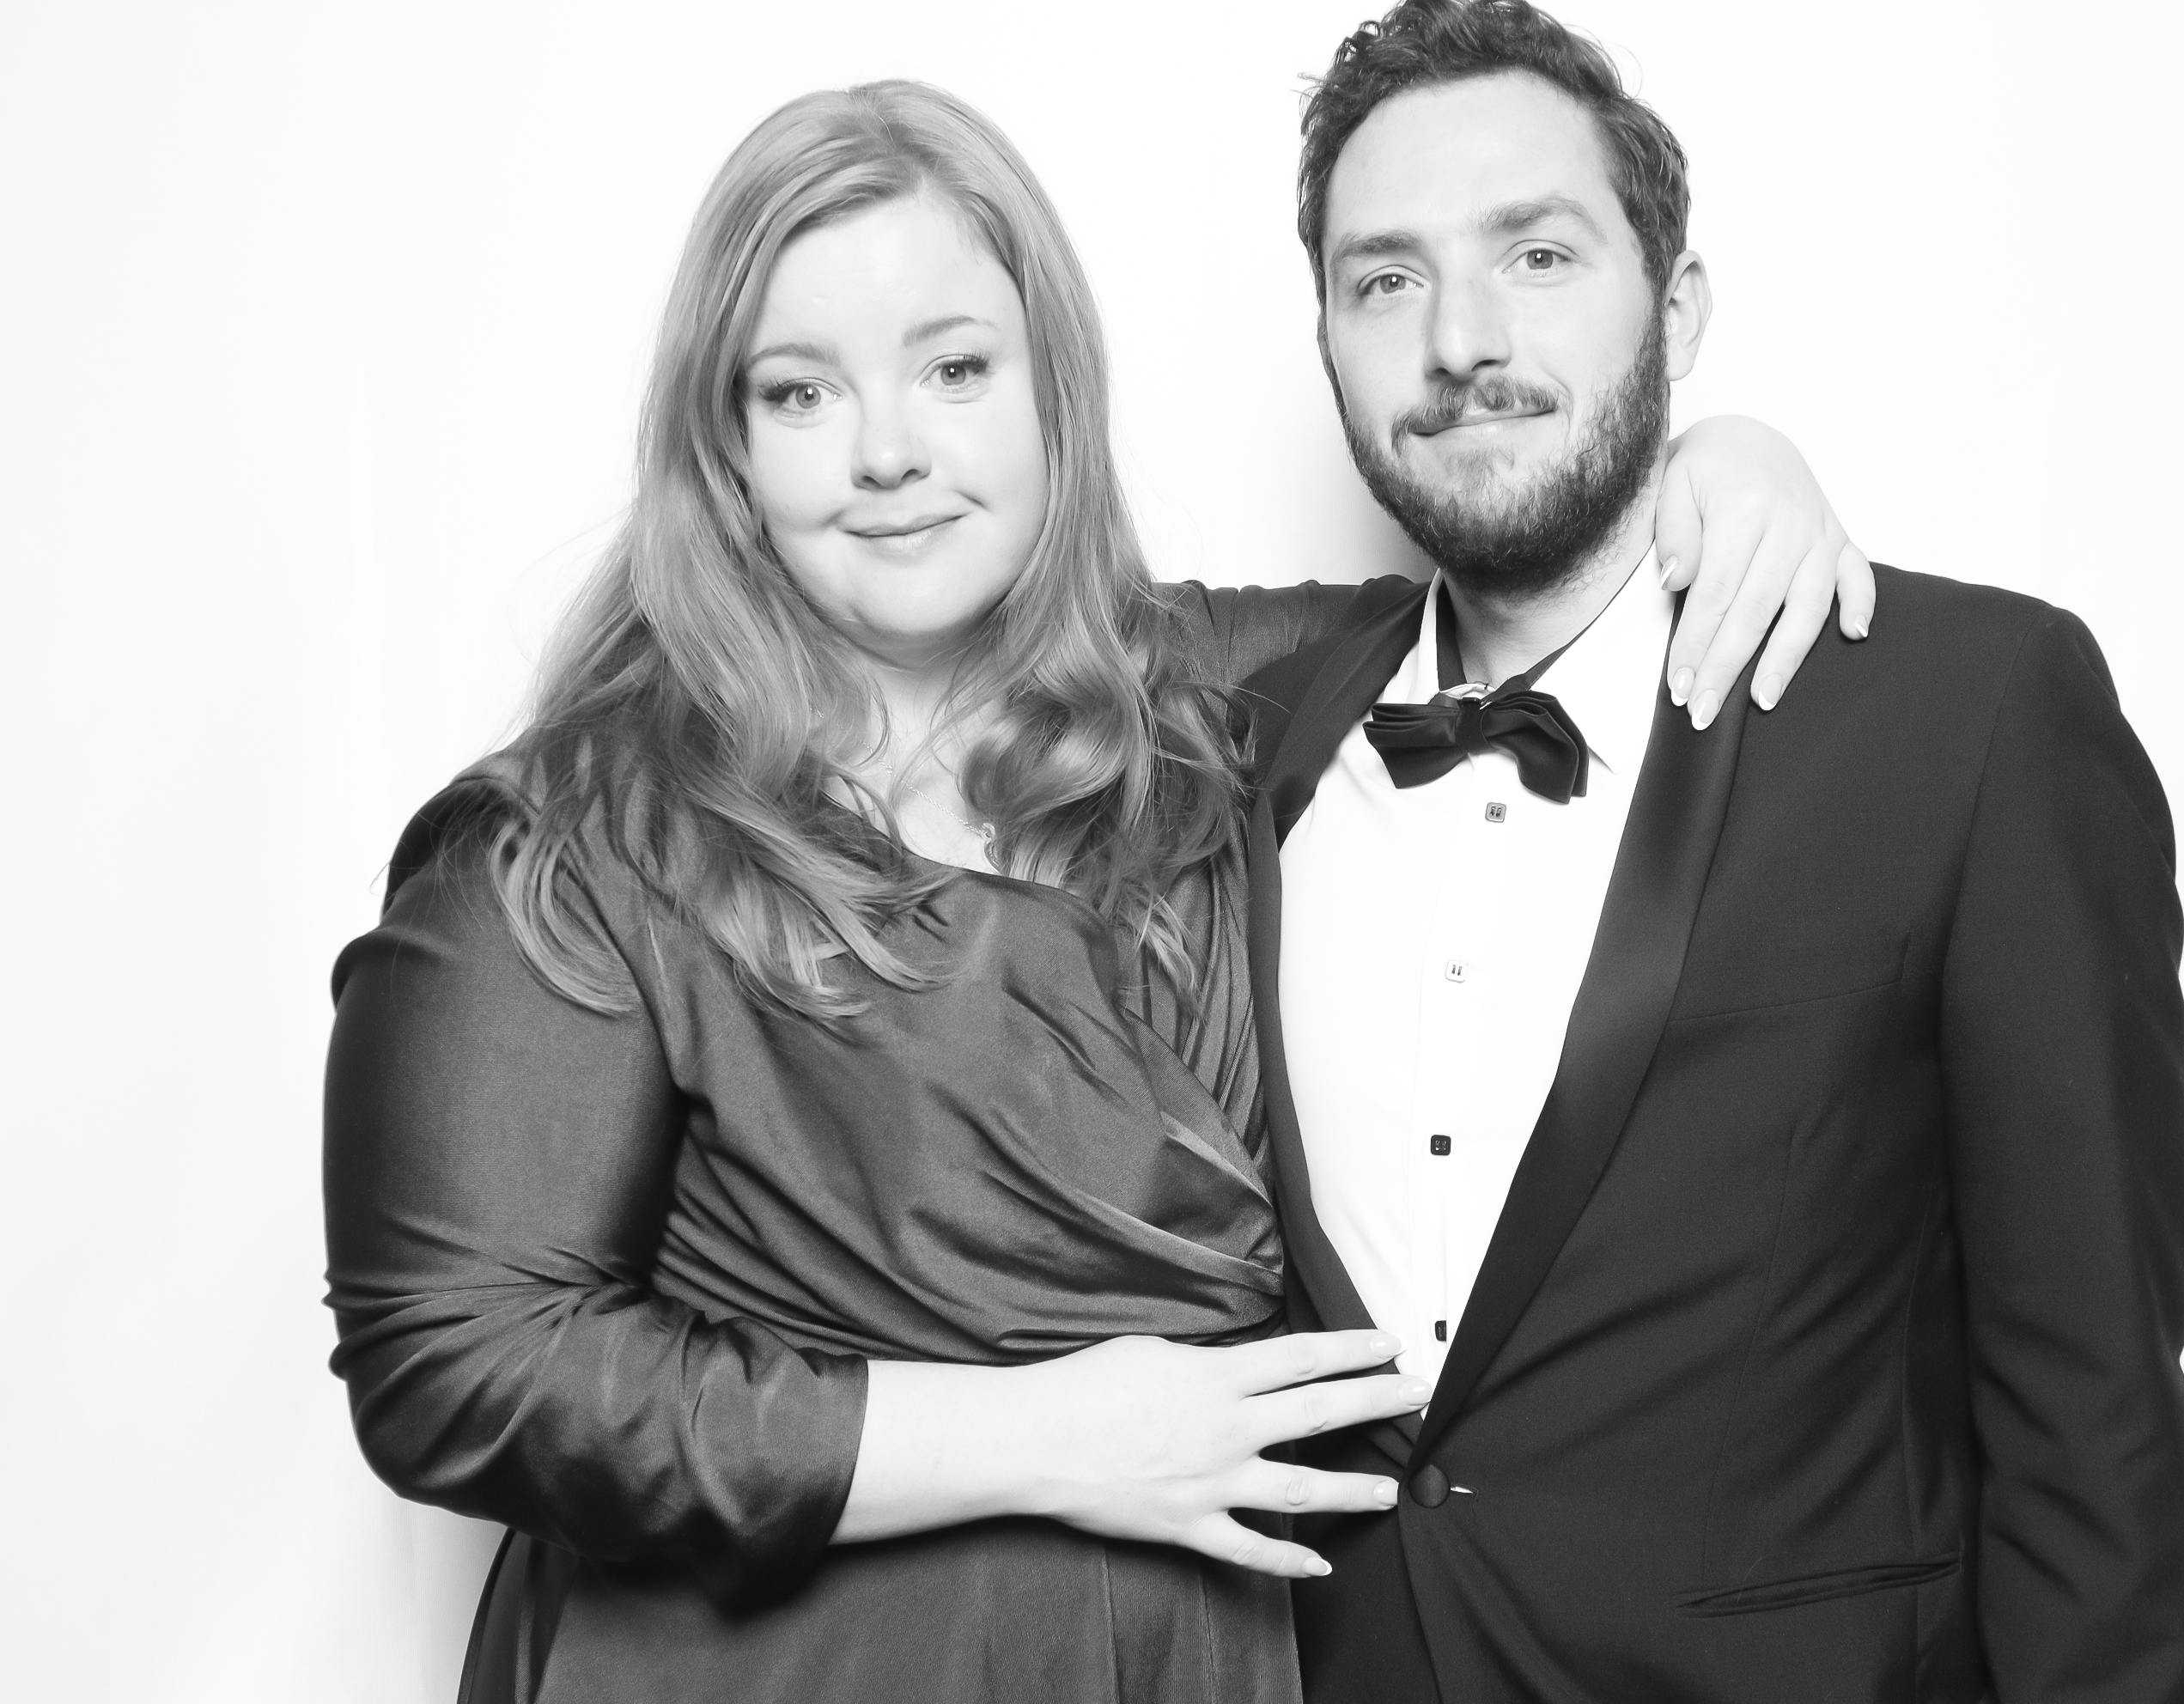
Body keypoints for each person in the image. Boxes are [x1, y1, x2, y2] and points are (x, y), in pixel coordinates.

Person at [322, 78, 1877, 1703]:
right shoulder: (577, 838)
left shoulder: (1225, 697)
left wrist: (1721, 463)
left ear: (1052, 390)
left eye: (954, 369)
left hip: (1173, 1656)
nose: (887, 452)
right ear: (726, 449)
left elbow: (1518, 588)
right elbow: (455, 1364)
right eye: (800, 392)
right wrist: (1042, 1438)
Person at [1250, 5, 2184, 1701]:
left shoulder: (1969, 715)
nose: (1460, 338)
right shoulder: (1251, 734)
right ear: (1324, 338)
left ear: (1676, 308)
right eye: (1384, 280)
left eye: (1537, 254)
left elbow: (2092, 1412)